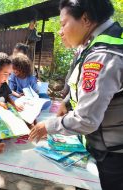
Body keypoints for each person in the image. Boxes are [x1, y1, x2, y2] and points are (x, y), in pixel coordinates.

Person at [29, 0, 123, 189]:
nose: (60, 31)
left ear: (86, 19)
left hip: (111, 155)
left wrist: (48, 126)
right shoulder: (98, 42)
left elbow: (87, 120)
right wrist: (67, 102)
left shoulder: (103, 55)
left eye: (63, 24)